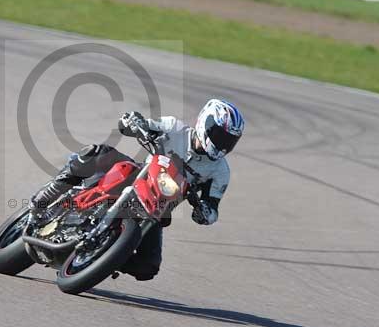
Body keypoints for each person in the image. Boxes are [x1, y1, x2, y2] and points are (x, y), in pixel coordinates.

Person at [32, 98, 245, 281]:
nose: (223, 144)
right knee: (96, 152)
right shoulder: (174, 128)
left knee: (148, 267)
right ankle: (46, 197)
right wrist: (133, 122)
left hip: (157, 208)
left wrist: (204, 212)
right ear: (204, 122)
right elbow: (133, 125)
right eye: (220, 135)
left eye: (230, 140)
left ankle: (103, 258)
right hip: (138, 177)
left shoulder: (220, 172)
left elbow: (212, 208)